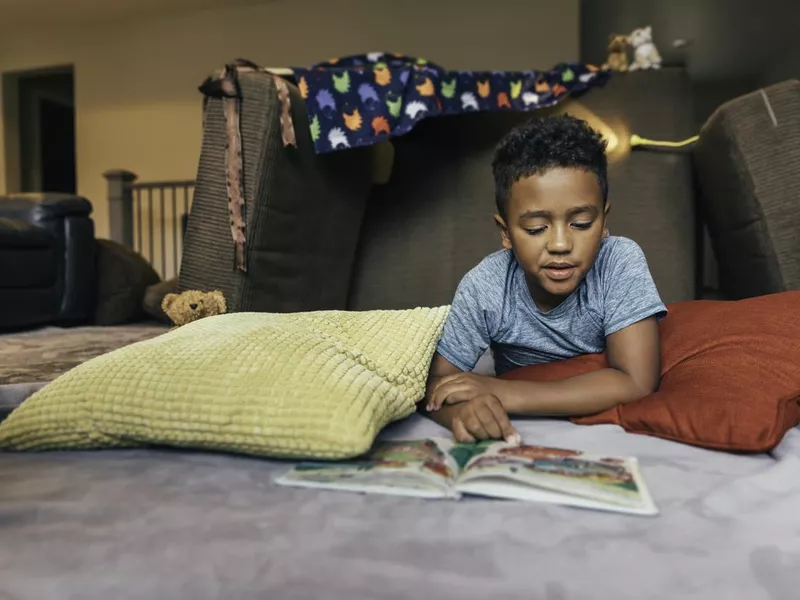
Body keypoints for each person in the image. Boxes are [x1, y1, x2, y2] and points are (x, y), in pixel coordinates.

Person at [421, 114, 667, 445]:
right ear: (506, 233)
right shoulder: (486, 286)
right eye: (536, 229)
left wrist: (504, 392)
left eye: (581, 223)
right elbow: (437, 383)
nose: (561, 245)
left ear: (604, 220)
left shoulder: (618, 261)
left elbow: (636, 381)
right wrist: (459, 413)